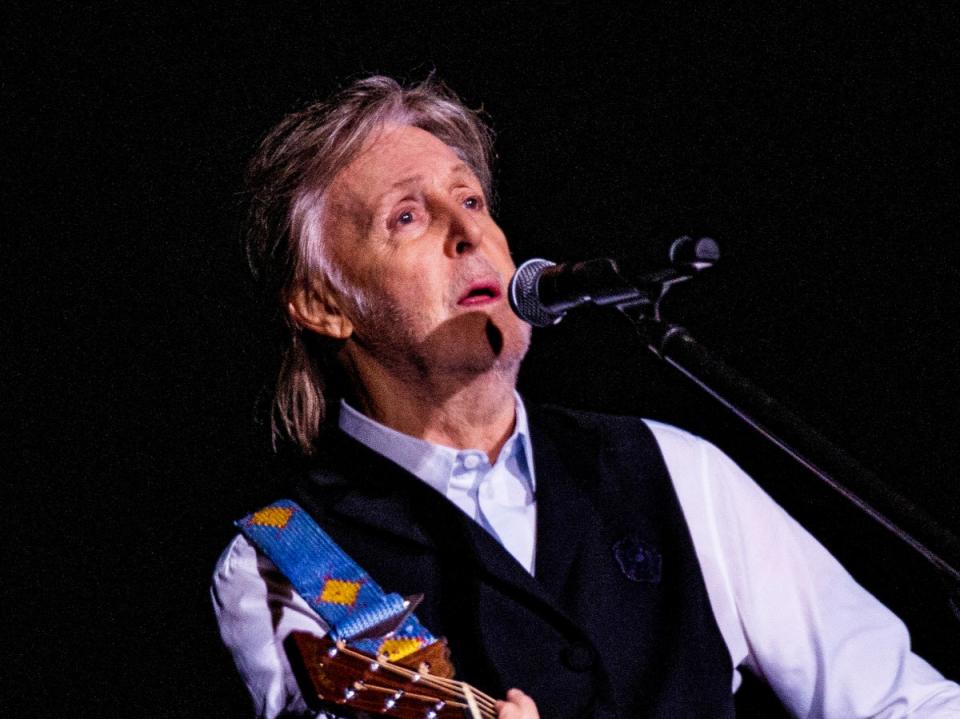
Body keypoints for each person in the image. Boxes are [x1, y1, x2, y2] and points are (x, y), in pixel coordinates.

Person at [211, 75, 960, 718]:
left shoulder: (670, 468)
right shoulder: (287, 562)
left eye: (471, 200)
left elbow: (904, 698)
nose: (467, 232)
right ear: (324, 305)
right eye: (406, 217)